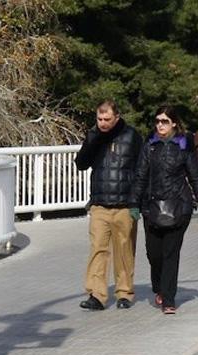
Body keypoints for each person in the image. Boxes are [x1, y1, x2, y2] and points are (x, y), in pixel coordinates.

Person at [129, 106, 198, 314]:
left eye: (164, 121)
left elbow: (195, 177)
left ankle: (169, 298)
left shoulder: (183, 146)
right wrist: (134, 204)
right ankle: (159, 287)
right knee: (153, 254)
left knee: (170, 254)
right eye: (157, 121)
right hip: (152, 208)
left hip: (178, 207)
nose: (160, 125)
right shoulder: (150, 147)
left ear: (174, 123)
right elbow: (140, 176)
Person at [74, 99, 143, 310]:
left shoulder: (132, 136)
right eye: (99, 119)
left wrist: (138, 201)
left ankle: (124, 293)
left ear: (116, 117)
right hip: (100, 204)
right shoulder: (94, 135)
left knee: (124, 250)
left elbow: (142, 169)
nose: (102, 123)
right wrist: (93, 138)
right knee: (98, 249)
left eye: (107, 119)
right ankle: (96, 295)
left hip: (125, 204)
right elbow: (81, 164)